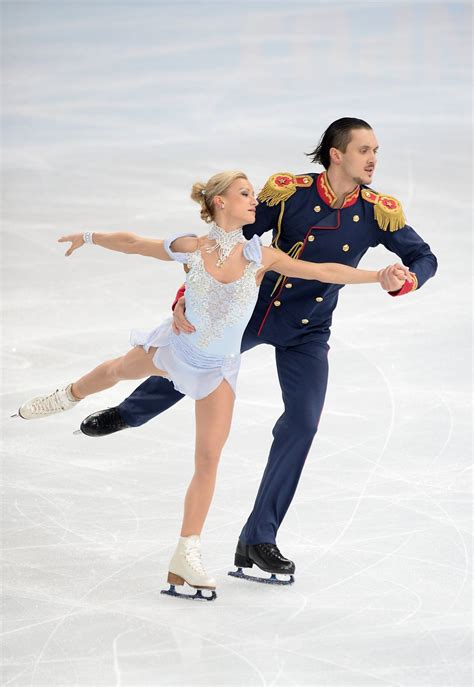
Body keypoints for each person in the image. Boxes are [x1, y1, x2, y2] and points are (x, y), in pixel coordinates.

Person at [79, 117, 438, 585]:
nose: (373, 160)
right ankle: (131, 412)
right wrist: (187, 295)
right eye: (364, 150)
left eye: (376, 151)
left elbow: (424, 256)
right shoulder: (289, 194)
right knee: (193, 356)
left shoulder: (376, 211)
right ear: (336, 153)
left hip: (308, 329)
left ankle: (258, 538)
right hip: (253, 309)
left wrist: (405, 278)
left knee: (303, 423)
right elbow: (229, 242)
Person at [15, 169, 401, 599]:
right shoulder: (192, 248)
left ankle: (187, 552)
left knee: (208, 460)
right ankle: (67, 396)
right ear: (220, 202)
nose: (255, 201)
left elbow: (325, 271)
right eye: (245, 194)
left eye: (253, 193)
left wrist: (377, 276)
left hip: (216, 371)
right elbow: (133, 244)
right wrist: (89, 237)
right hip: (177, 349)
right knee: (115, 371)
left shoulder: (261, 256)